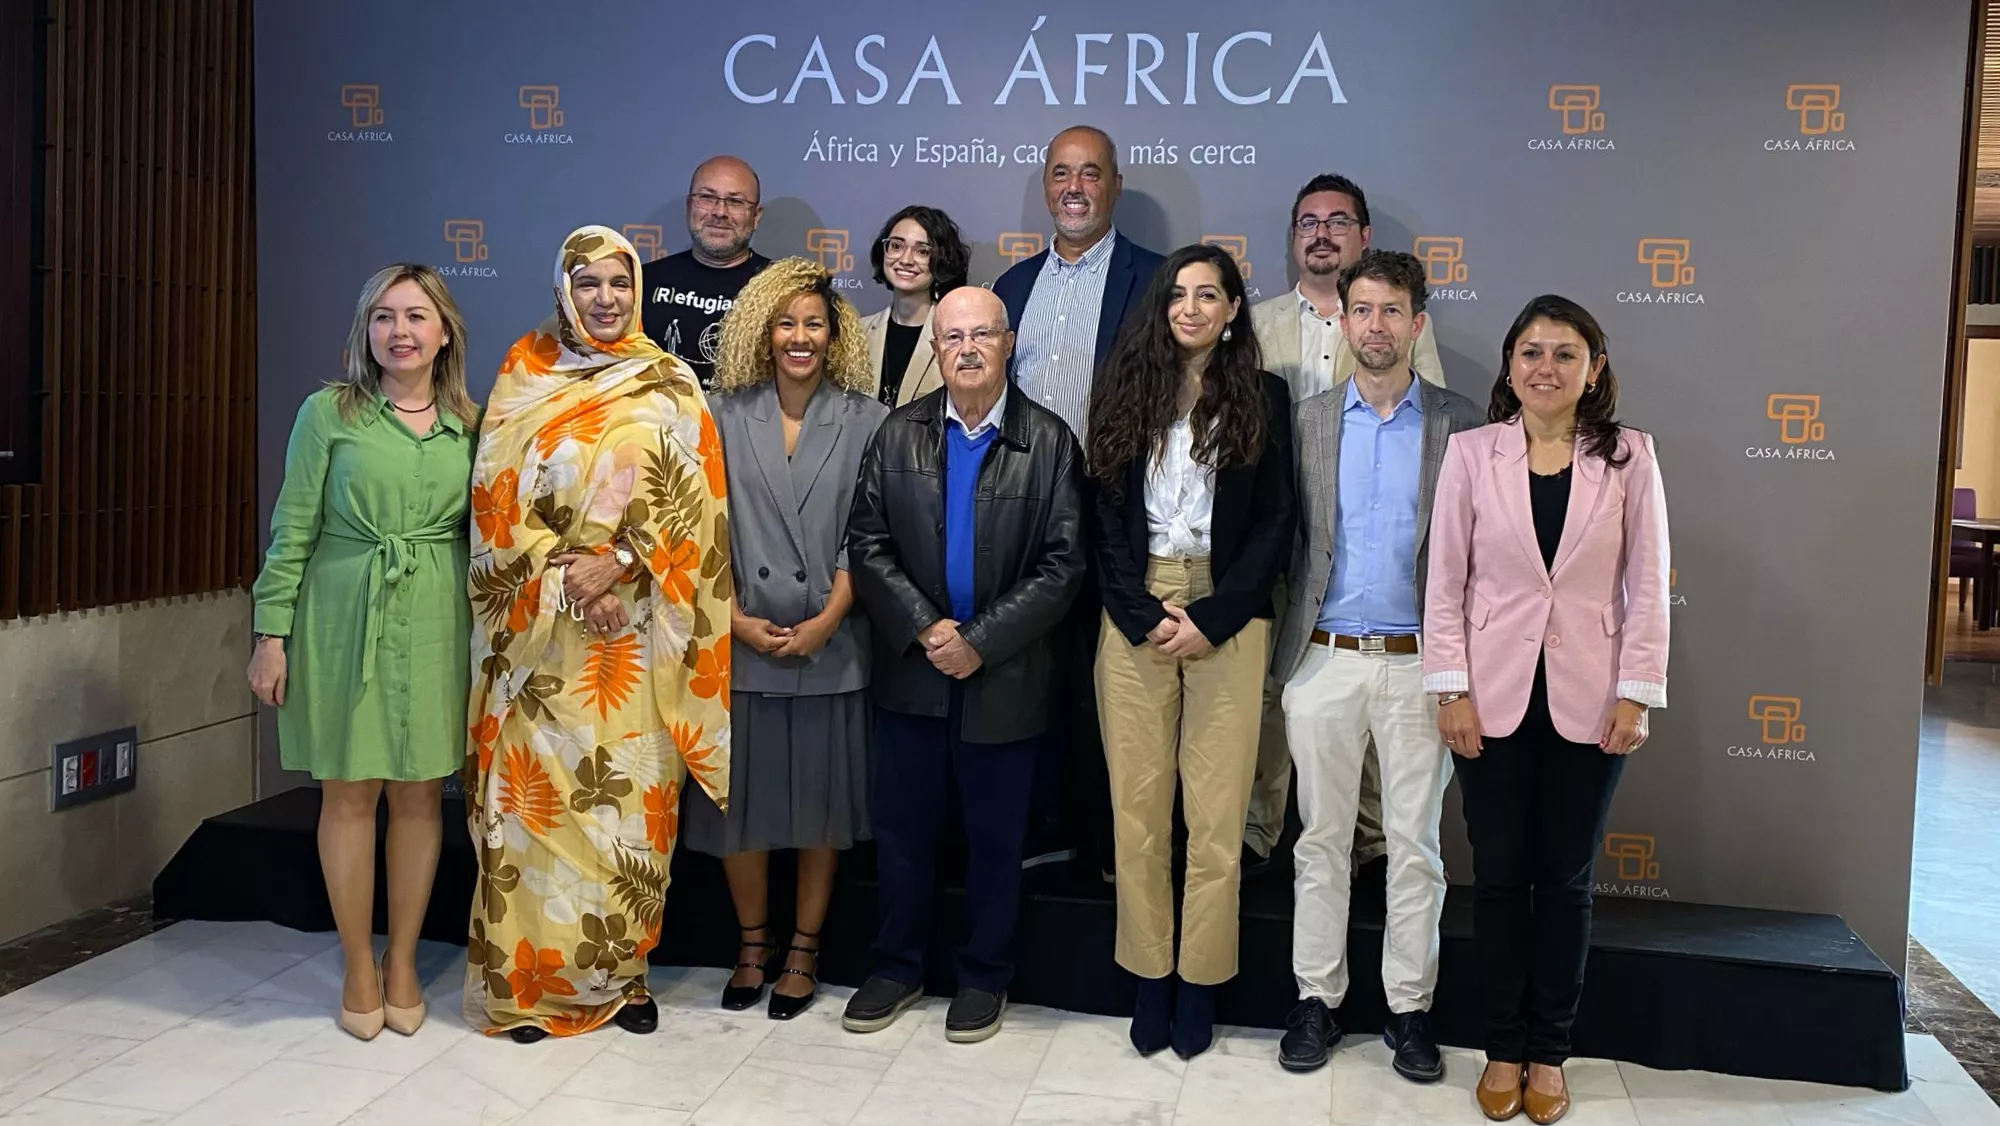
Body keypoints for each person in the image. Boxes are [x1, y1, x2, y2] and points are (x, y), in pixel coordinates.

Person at [464, 226, 733, 1043]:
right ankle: (526, 986)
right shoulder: (523, 374)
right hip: (540, 654)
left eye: (620, 282)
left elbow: (702, 515)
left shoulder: (672, 384)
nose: (606, 299)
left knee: (626, 822)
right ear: (563, 289)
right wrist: (563, 573)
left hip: (638, 643)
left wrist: (618, 563)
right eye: (589, 284)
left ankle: (623, 980)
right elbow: (493, 503)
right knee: (531, 820)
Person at [1424, 295, 1669, 1124]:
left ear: (1593, 369)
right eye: (1531, 352)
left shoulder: (1631, 458)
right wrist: (1449, 688)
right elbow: (1445, 582)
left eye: (1565, 354)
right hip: (1488, 698)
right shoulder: (1469, 454)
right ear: (1508, 365)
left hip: (1592, 703)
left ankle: (1549, 1052)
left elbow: (1648, 590)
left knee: (1564, 883)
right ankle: (1501, 1046)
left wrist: (1637, 691)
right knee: (1498, 879)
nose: (1546, 368)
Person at [842, 286, 1086, 1043]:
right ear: (937, 349)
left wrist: (978, 638)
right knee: (904, 833)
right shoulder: (897, 435)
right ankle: (897, 965)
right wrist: (925, 628)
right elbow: (868, 542)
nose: (969, 349)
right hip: (912, 674)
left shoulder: (1048, 441)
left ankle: (984, 976)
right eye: (954, 338)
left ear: (1008, 343)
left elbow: (1064, 564)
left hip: (1005, 677)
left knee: (994, 840)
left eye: (983, 335)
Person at [1267, 251, 1484, 1082]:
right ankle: (1316, 1001)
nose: (1377, 326)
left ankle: (1409, 1011)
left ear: (1418, 323)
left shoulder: (1460, 425)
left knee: (1414, 844)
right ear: (1343, 320)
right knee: (1319, 839)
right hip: (1322, 658)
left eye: (1393, 310)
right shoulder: (1309, 421)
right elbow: (1286, 541)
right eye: (1362, 310)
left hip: (1421, 664)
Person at [248, 264, 477, 1041]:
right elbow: (292, 529)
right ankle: (356, 961)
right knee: (349, 793)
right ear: (365, 331)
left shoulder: (472, 424)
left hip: (436, 616)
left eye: (416, 316)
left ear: (444, 331)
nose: (400, 331)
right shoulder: (328, 414)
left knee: (419, 795)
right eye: (383, 317)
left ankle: (404, 959)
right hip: (343, 614)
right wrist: (270, 633)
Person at [1087, 244, 1295, 1060]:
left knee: (1215, 816)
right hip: (1135, 606)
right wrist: (1143, 614)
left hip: (1228, 612)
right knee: (1138, 810)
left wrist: (1215, 616)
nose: (1192, 308)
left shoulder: (1265, 399)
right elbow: (1102, 518)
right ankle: (1149, 975)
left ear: (1235, 309)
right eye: (1178, 294)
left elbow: (1278, 524)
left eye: (1210, 295)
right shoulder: (1125, 390)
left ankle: (1200, 980)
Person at [683, 258, 889, 1021]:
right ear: (761, 331)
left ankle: (803, 949)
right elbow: (694, 528)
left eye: (814, 323)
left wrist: (831, 617)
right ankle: (751, 943)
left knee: (821, 812)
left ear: (834, 335)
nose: (799, 337)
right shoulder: (718, 413)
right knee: (745, 810)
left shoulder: (867, 418)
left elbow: (869, 535)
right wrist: (732, 618)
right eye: (786, 322)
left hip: (832, 642)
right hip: (740, 640)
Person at [1244, 173, 1447, 881]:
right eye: (1308, 222)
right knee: (1276, 696)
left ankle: (1375, 840)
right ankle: (1259, 829)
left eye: (1338, 221)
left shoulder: (1397, 325)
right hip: (1279, 539)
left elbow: (1431, 442)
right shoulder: (1258, 323)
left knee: (1371, 693)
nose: (1321, 233)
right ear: (1294, 237)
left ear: (1363, 236)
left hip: (1366, 554)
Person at [991, 124, 1165, 875]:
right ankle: (1039, 827)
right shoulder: (1011, 288)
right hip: (1024, 513)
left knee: (1112, 686)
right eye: (1062, 173)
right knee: (1030, 676)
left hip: (1116, 510)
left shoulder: (1157, 280)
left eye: (1090, 174)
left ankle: (1106, 842)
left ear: (1114, 185)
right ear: (1045, 185)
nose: (1074, 187)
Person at [640, 154, 770, 390]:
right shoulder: (641, 282)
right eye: (707, 198)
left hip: (745, 426)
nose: (720, 212)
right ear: (689, 206)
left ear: (756, 216)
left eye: (736, 201)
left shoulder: (783, 288)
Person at [859, 205, 968, 407]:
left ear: (941, 260)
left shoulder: (957, 340)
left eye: (922, 251)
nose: (906, 260)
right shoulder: (857, 333)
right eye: (896, 246)